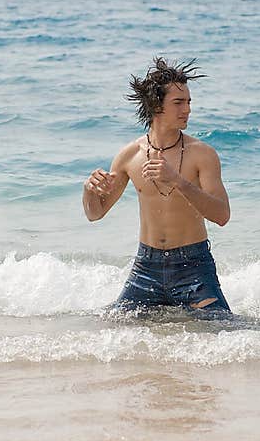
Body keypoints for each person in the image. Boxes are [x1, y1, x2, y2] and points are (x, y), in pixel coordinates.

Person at [82, 57, 232, 314]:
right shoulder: (130, 155)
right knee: (108, 324)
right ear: (155, 105)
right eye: (178, 103)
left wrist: (177, 181)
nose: (187, 109)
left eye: (188, 102)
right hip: (145, 270)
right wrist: (89, 190)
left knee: (225, 329)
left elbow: (221, 215)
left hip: (193, 268)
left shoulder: (202, 154)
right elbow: (95, 214)